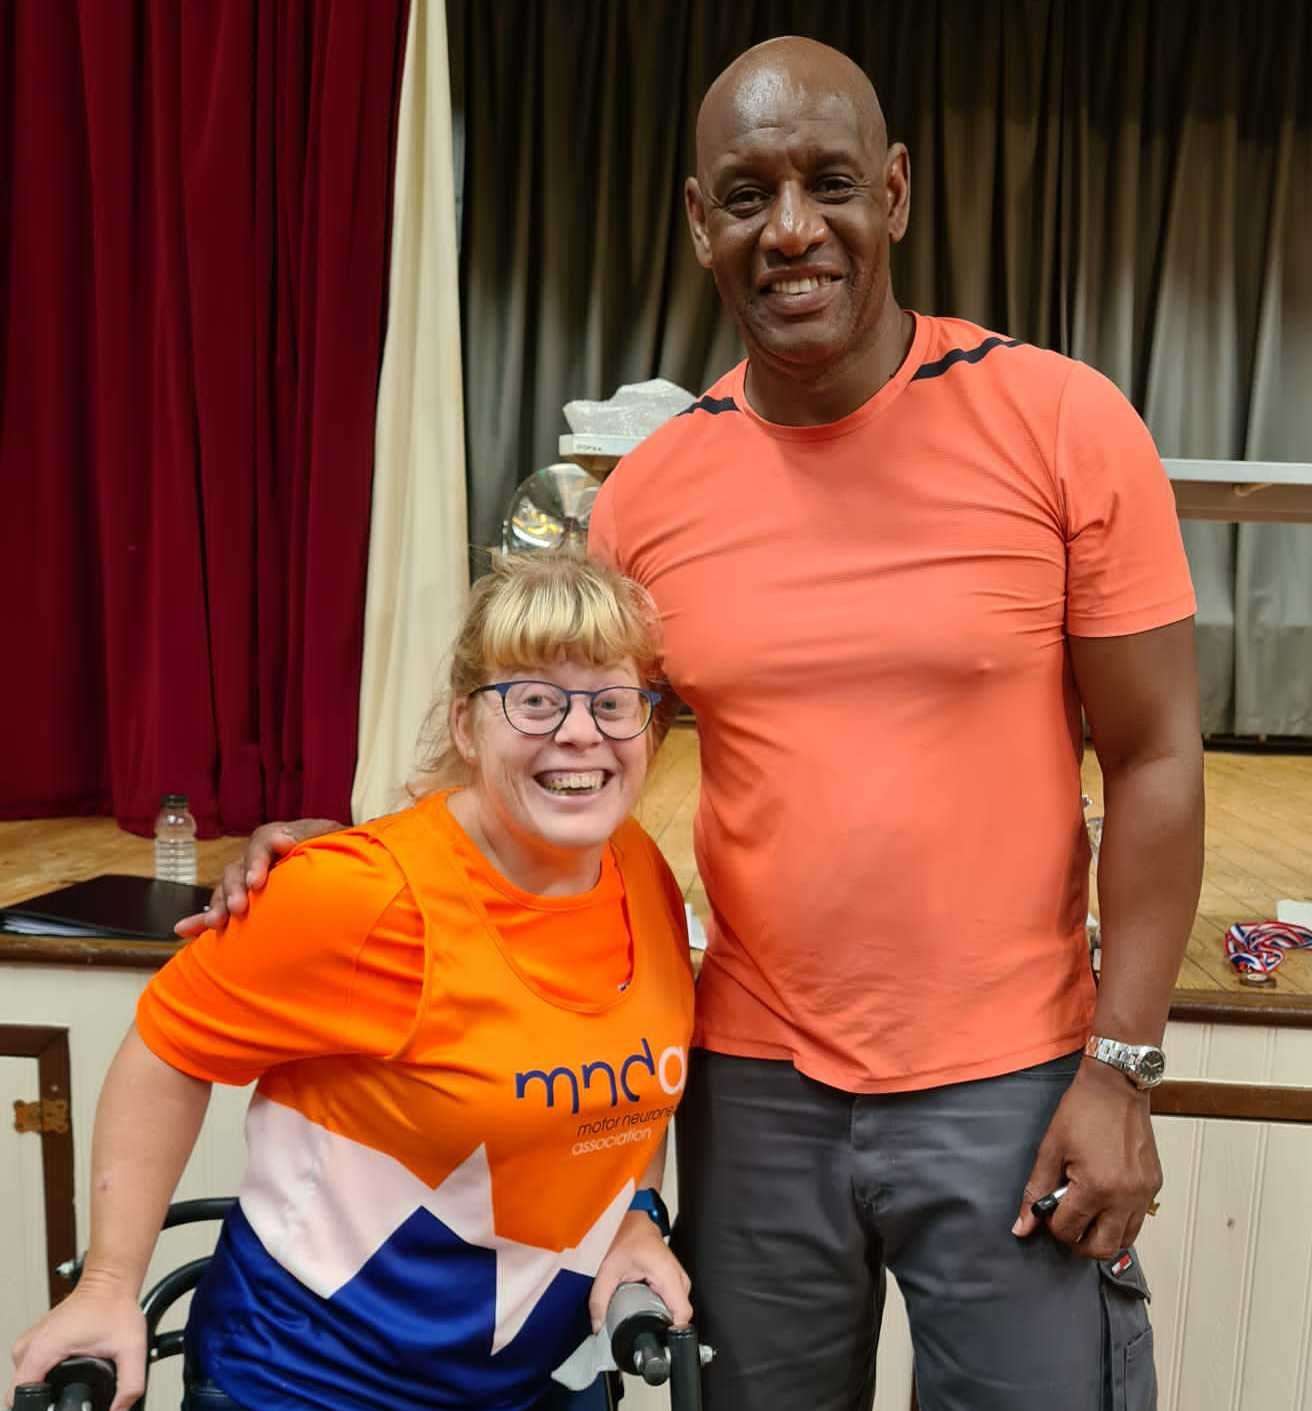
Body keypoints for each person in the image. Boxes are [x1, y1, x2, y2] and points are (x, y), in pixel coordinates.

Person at [179, 36, 1203, 1411]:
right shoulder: (650, 497)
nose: (791, 229)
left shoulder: (1063, 422)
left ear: (894, 193)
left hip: (1012, 1079)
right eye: (747, 193)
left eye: (829, 183)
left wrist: (1123, 1069)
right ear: (697, 221)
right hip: (753, 1081)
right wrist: (363, 854)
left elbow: (1153, 755)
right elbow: (563, 759)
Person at [9, 553, 696, 1411]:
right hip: (313, 1382)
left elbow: (630, 1101)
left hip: (531, 1381)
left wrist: (639, 1215)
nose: (580, 732)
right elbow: (167, 1047)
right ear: (465, 723)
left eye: (612, 701)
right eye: (535, 698)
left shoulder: (642, 872)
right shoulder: (358, 895)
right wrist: (109, 1280)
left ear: (650, 726)